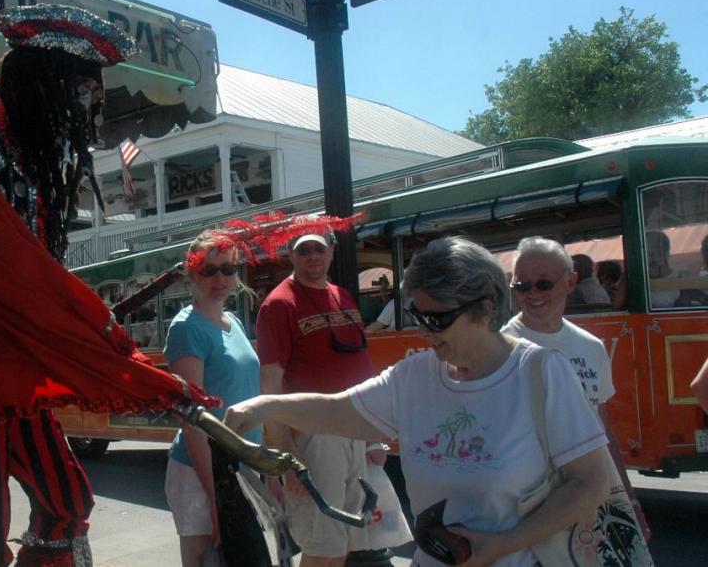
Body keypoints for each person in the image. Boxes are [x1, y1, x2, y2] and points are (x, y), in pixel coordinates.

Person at [0, 4, 213, 567]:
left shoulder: (23, 145)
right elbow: (10, 270)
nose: (83, 107)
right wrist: (104, 337)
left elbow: (34, 265)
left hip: (10, 363)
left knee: (67, 501)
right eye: (77, 89)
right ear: (40, 80)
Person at [227, 236, 611, 567]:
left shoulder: (541, 372)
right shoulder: (416, 376)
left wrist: (502, 545)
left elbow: (591, 482)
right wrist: (264, 407)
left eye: (438, 320)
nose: (425, 332)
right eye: (418, 316)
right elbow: (334, 409)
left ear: (485, 308)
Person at [255, 231, 399, 567]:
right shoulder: (279, 304)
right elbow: (270, 382)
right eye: (303, 251)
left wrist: (373, 435)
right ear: (290, 255)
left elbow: (357, 367)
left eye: (318, 249)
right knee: (323, 545)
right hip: (313, 437)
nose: (312, 258)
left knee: (346, 542)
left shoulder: (342, 296)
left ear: (331, 252)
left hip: (354, 431)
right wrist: (284, 454)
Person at [501, 237, 650, 538]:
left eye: (544, 284)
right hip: (525, 509)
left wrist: (627, 499)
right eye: (522, 286)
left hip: (585, 503)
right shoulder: (499, 349)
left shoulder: (591, 347)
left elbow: (602, 430)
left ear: (570, 282)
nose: (533, 294)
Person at [163, 231, 263, 567]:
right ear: (192, 275)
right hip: (202, 472)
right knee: (204, 559)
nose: (220, 278)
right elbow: (193, 424)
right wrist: (217, 499)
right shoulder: (186, 329)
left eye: (228, 269)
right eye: (209, 271)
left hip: (241, 467)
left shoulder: (232, 320)